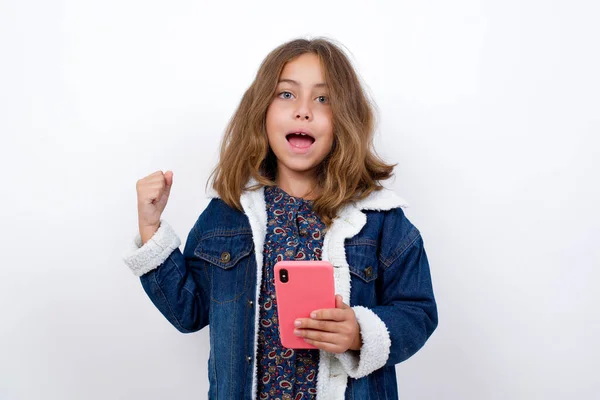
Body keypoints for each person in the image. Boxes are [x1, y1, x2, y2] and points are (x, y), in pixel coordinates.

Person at [123, 37, 438, 400]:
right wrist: (150, 227)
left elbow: (418, 311)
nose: (303, 110)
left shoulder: (381, 219)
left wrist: (359, 333)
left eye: (324, 99)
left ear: (345, 118)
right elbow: (188, 312)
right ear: (262, 111)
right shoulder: (227, 215)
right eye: (287, 94)